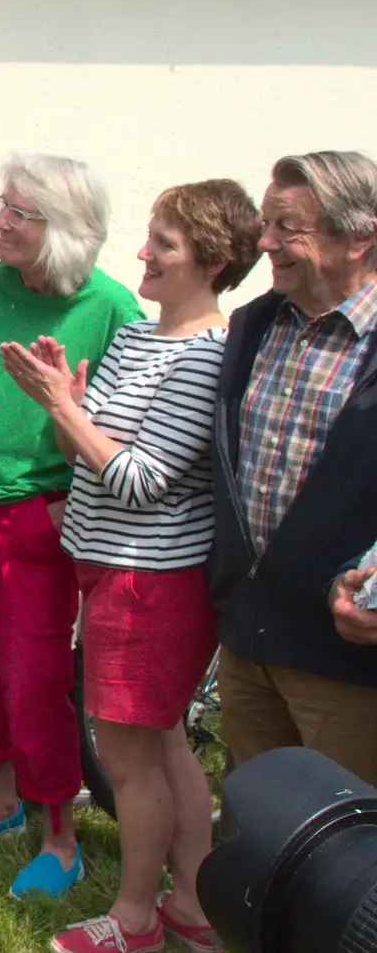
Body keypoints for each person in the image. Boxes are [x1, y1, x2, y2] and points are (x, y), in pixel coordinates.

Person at [2, 181, 263, 953]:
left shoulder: (208, 356)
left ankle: (134, 918)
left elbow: (142, 479)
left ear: (214, 264)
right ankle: (195, 903)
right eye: (149, 236)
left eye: (165, 244)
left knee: (127, 757)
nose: (143, 254)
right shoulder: (137, 338)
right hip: (110, 569)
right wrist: (67, 401)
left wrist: (68, 409)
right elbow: (89, 450)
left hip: (150, 582)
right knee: (164, 741)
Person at [0, 153, 143, 899]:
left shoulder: (111, 307)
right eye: (4, 205)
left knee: (36, 675)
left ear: (66, 229)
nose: (2, 221)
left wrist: (66, 493)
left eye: (20, 212)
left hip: (40, 512)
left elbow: (121, 422)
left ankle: (60, 836)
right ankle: (0, 803)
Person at [208, 151, 377, 787]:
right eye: (266, 221)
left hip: (344, 653)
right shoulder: (254, 325)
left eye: (288, 228)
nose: (264, 242)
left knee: (344, 848)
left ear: (361, 237)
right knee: (260, 825)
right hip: (249, 637)